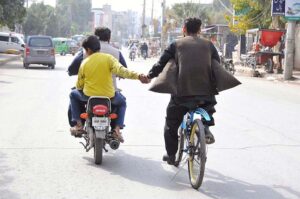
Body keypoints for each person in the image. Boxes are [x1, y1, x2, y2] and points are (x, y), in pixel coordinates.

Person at [146, 17, 220, 165]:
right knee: (208, 107)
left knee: (171, 123)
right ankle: (205, 126)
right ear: (199, 30)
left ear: (184, 30)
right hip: (205, 95)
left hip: (181, 95)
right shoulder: (209, 45)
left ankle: (171, 155)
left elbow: (161, 64)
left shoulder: (176, 44)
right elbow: (217, 65)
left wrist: (149, 76)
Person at [69, 35, 148, 142]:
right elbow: (122, 71)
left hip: (88, 97)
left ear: (88, 50)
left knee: (73, 94)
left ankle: (78, 125)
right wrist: (138, 76)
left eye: (85, 50)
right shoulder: (109, 58)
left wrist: (82, 86)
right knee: (122, 102)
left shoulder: (84, 63)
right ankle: (116, 130)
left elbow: (79, 85)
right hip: (109, 97)